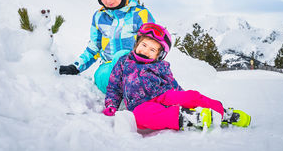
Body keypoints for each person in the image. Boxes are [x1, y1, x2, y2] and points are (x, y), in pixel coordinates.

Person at [103, 23, 251, 131]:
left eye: (152, 49)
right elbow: (114, 87)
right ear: (136, 44)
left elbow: (173, 84)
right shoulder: (124, 62)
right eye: (144, 45)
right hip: (141, 104)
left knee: (191, 96)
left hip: (164, 95)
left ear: (159, 55)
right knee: (141, 116)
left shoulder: (161, 66)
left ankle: (223, 113)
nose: (146, 50)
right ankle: (189, 118)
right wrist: (111, 105)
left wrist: (185, 98)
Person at [59, 0, 155, 94]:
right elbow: (94, 47)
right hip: (108, 70)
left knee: (123, 56)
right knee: (108, 72)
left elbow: (154, 47)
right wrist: (75, 67)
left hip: (138, 68)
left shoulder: (140, 14)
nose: (108, 0)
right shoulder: (99, 17)